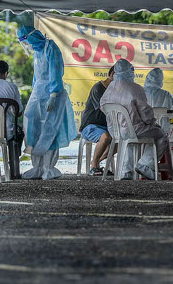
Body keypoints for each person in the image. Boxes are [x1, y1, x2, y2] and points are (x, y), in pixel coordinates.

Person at [17, 26, 76, 180]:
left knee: (50, 130)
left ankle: (48, 168)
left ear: (31, 37)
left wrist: (53, 94)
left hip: (52, 95)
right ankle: (37, 167)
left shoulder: (51, 48)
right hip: (38, 94)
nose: (26, 46)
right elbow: (37, 76)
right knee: (33, 129)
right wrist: (35, 92)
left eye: (25, 41)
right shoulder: (37, 51)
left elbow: (55, 71)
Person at [99, 59, 167, 180]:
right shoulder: (135, 88)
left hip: (115, 131)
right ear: (130, 72)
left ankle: (126, 171)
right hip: (134, 130)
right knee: (161, 135)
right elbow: (145, 112)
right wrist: (152, 122)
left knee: (128, 142)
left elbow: (102, 107)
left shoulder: (110, 89)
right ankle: (145, 164)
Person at [82, 66, 115, 176]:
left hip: (106, 127)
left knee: (121, 140)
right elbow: (104, 109)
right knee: (105, 137)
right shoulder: (98, 88)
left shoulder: (115, 91)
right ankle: (94, 166)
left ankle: (95, 162)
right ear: (113, 74)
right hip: (90, 126)